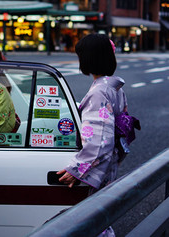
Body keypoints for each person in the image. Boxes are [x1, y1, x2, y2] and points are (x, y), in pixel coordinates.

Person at [57, 34, 127, 236]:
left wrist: (77, 168)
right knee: (101, 215)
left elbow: (98, 140)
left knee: (92, 219)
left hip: (101, 160)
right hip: (111, 159)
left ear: (88, 59)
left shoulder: (99, 92)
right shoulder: (114, 89)